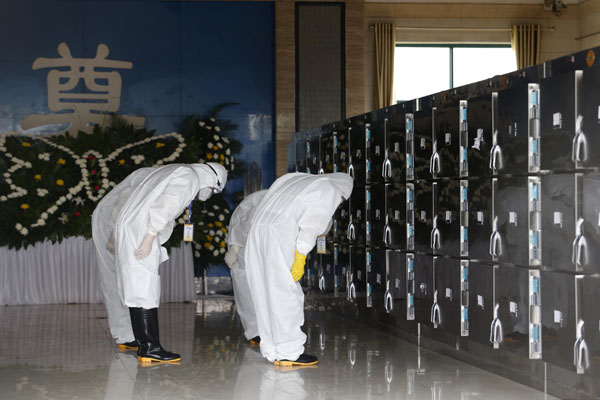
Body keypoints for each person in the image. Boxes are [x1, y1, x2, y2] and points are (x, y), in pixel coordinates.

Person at [95, 162, 228, 364]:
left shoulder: (172, 170)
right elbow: (166, 206)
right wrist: (150, 236)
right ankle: (150, 348)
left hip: (131, 228)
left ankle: (142, 342)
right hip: (142, 231)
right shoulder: (189, 176)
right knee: (144, 288)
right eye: (213, 190)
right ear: (213, 181)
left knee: (135, 287)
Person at [244, 172, 353, 366]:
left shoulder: (292, 179)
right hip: (280, 233)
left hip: (257, 230)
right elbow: (311, 225)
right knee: (285, 293)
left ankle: (272, 349)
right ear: (343, 191)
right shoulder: (330, 189)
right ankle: (289, 352)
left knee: (263, 292)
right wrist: (301, 255)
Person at [92, 167, 156, 351]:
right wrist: (112, 238)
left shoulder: (153, 177)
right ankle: (125, 335)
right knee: (116, 282)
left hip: (119, 229)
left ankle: (128, 334)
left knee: (122, 282)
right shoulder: (148, 178)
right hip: (111, 227)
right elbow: (122, 204)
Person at [224, 189, 267, 345]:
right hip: (243, 239)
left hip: (264, 240)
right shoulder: (264, 203)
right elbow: (243, 226)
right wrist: (234, 250)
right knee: (246, 286)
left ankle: (269, 329)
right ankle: (254, 332)